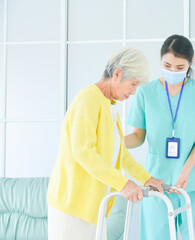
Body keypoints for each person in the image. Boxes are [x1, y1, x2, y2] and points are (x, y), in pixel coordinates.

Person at [47, 47, 164, 240]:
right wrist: (123, 184)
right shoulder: (88, 99)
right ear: (117, 74)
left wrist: (147, 179)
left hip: (93, 207)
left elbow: (121, 154)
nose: (134, 92)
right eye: (133, 84)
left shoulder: (109, 106)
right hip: (72, 205)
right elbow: (83, 152)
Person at [125, 35, 195, 240]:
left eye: (180, 67)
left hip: (192, 181)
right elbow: (137, 137)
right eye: (167, 65)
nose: (172, 71)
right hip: (155, 182)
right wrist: (114, 142)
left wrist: (185, 171)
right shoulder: (145, 93)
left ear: (190, 62)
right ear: (160, 60)